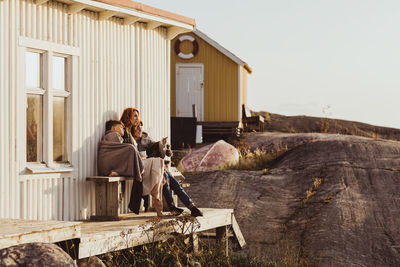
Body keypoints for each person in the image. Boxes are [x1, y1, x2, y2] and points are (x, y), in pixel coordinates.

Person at [133, 122, 203, 217]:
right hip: (143, 170)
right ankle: (172, 206)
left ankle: (191, 206)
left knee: (174, 183)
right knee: (164, 177)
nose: (140, 130)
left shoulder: (146, 140)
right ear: (132, 130)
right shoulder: (132, 143)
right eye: (137, 128)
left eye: (140, 128)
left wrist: (162, 144)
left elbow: (156, 150)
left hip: (153, 167)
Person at [99, 119, 165, 217]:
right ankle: (156, 195)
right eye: (120, 127)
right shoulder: (112, 135)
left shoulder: (112, 137)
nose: (123, 129)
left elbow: (120, 152)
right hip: (110, 164)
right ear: (113, 128)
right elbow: (121, 152)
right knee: (157, 162)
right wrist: (136, 155)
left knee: (158, 162)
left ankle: (156, 192)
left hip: (114, 164)